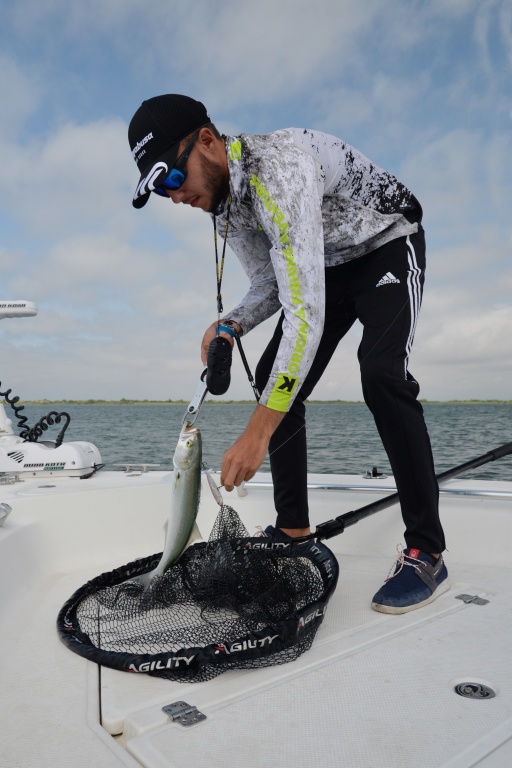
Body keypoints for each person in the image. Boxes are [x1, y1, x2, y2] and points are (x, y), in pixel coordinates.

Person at [128, 94, 449, 614]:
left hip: (386, 242)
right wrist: (228, 326)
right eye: (159, 188)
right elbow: (268, 287)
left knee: (381, 374)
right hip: (323, 265)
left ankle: (427, 551)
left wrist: (257, 433)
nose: (173, 196)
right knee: (273, 379)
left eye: (171, 177)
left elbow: (305, 315)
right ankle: (293, 530)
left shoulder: (282, 168)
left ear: (207, 141)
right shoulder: (223, 205)